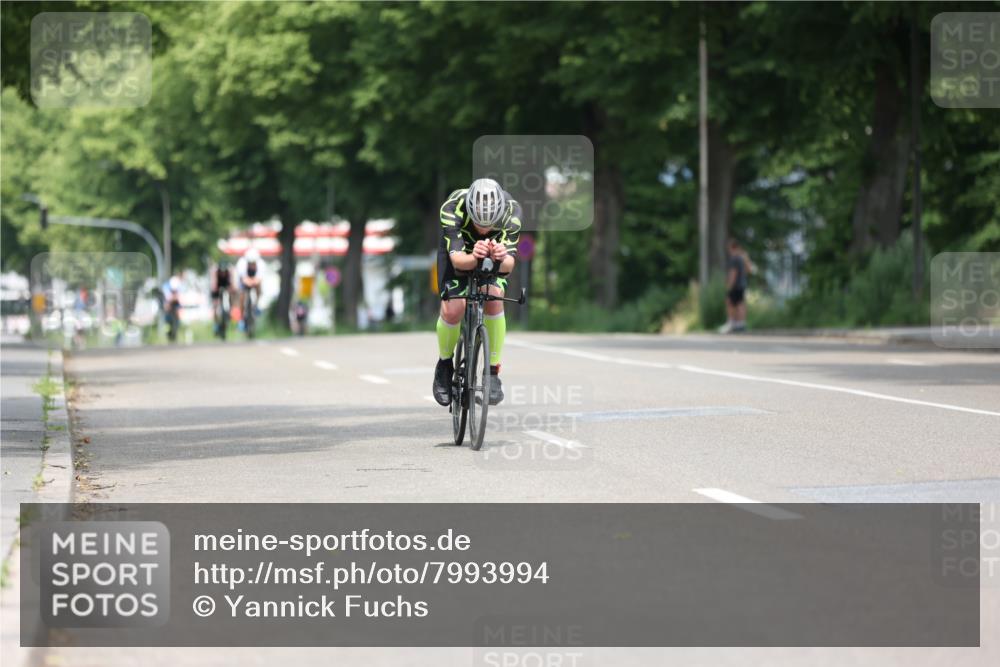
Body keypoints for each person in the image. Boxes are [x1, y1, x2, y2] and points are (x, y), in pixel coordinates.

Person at [432, 178, 521, 407]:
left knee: (494, 298)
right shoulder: (453, 207)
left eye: (489, 224)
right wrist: (474, 256)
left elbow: (509, 266)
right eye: (478, 223)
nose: (483, 230)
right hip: (459, 255)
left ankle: (492, 373)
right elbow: (458, 261)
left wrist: (499, 257)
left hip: (492, 257)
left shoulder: (511, 212)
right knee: (453, 308)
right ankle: (444, 364)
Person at [719, 238, 754, 334]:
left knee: (730, 303)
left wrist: (729, 285)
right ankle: (741, 324)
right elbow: (749, 270)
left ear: (731, 247)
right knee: (740, 303)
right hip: (742, 284)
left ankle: (731, 323)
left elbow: (733, 273)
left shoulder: (734, 258)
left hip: (735, 285)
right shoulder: (742, 258)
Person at [237, 249, 263, 322]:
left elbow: (259, 279)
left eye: (253, 263)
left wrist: (253, 282)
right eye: (250, 263)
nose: (251, 265)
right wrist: (251, 282)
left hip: (254, 281)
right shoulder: (241, 263)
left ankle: (256, 304)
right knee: (241, 295)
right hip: (245, 281)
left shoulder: (261, 264)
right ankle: (241, 316)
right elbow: (243, 279)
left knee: (259, 288)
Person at [209, 259, 234, 335]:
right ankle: (216, 324)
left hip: (225, 286)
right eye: (221, 272)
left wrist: (231, 288)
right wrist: (215, 288)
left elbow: (232, 283)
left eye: (224, 272)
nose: (223, 273)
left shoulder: (229, 271)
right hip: (217, 287)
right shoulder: (215, 271)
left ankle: (229, 313)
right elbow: (214, 283)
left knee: (230, 297)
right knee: (215, 306)